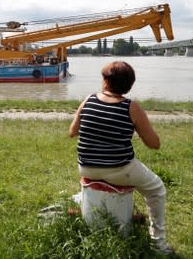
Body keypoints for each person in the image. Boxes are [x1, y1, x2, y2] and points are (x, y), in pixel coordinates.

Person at [68, 61, 173, 254]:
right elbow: (154, 144)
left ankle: (83, 205)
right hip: (119, 170)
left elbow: (72, 132)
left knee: (97, 180)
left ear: (106, 81)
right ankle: (159, 244)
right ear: (128, 85)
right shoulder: (131, 107)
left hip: (86, 167)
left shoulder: (88, 99)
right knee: (157, 189)